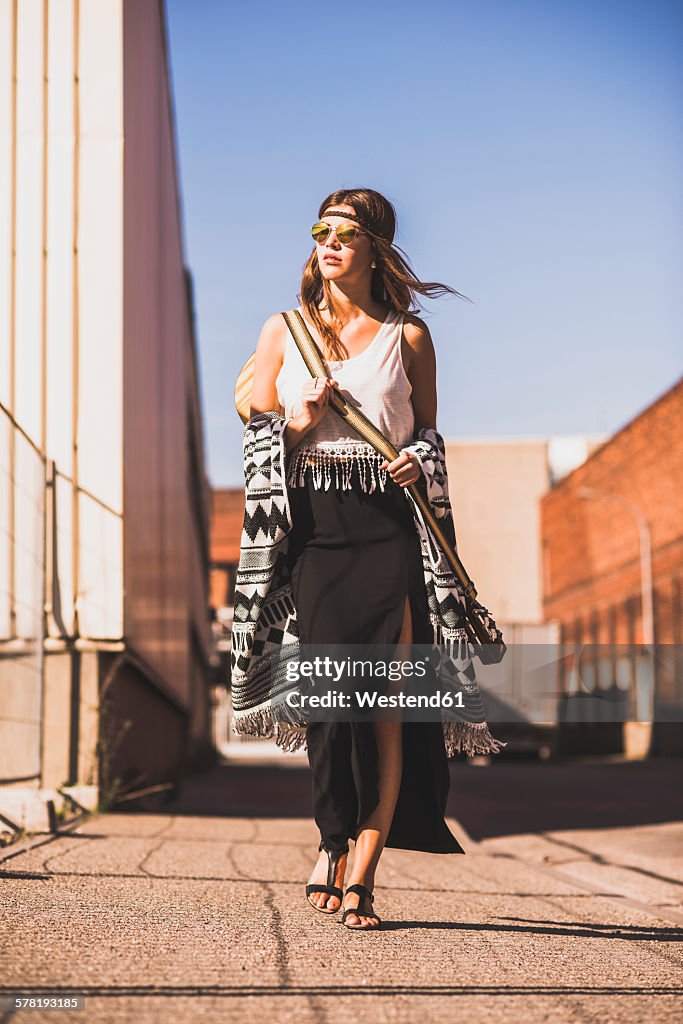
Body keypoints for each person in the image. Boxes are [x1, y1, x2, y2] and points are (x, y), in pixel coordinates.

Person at [247, 188, 475, 931]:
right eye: (321, 231)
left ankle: (363, 874)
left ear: (376, 247)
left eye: (347, 233)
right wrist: (295, 419)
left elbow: (431, 434)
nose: (330, 243)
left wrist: (417, 459)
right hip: (315, 530)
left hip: (386, 528)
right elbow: (251, 422)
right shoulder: (282, 330)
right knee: (326, 704)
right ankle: (329, 839)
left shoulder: (407, 338)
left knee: (382, 709)